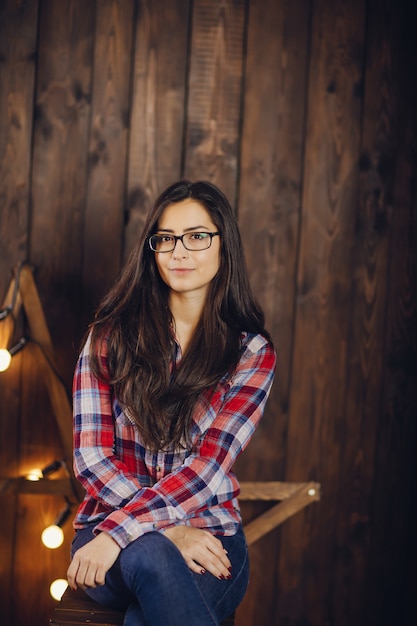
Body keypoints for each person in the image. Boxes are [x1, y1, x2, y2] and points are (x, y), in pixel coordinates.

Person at [67, 179, 276, 626]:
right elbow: (92, 457)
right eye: (165, 239)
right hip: (107, 536)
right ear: (152, 250)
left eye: (197, 236)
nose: (179, 251)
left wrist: (131, 531)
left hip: (210, 541)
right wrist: (168, 531)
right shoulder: (108, 337)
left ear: (225, 245)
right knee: (155, 557)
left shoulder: (251, 354)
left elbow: (205, 471)